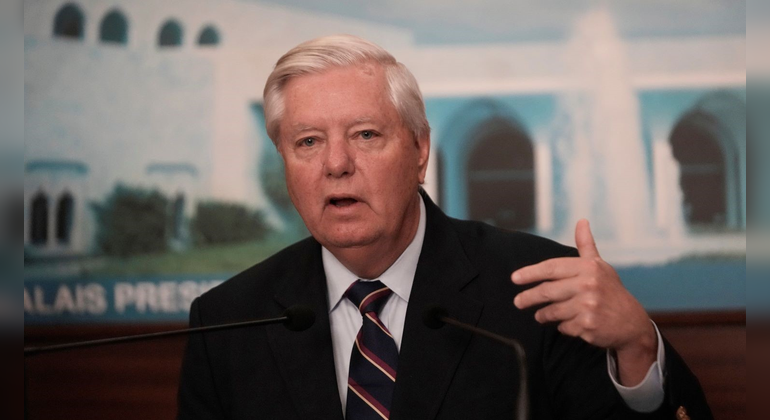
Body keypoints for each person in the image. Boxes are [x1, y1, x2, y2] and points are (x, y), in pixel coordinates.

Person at [177, 34, 711, 420]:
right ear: (285, 162)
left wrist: (638, 347)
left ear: (420, 150)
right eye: (308, 142)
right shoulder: (227, 322)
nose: (336, 164)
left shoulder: (540, 291)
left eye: (365, 135)